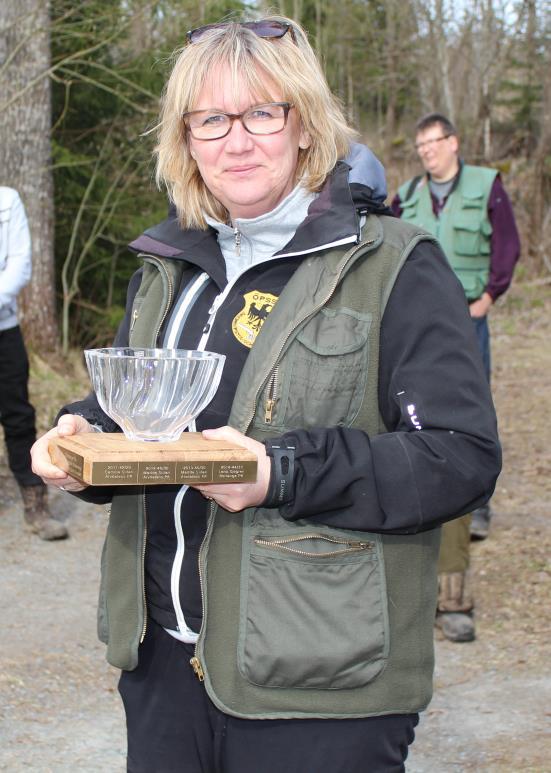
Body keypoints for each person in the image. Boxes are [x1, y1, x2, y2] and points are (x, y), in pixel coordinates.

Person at [31, 18, 501, 772]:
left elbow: (458, 456)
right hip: (161, 666)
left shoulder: (393, 266)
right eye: (210, 118)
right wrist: (78, 434)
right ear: (184, 138)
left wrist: (278, 472)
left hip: (319, 687)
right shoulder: (166, 264)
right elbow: (146, 414)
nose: (236, 140)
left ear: (305, 125)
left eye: (260, 112)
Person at [392, 113, 520, 642]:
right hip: (415, 322)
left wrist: (491, 296)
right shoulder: (403, 195)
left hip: (468, 318)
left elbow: (508, 244)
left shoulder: (486, 185)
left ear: (453, 143)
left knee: (467, 422)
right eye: (419, 144)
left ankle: (476, 508)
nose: (426, 152)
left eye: (433, 142)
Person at [0, 186, 67, 540]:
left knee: (17, 416)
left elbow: (19, 266)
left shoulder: (7, 201)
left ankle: (35, 504)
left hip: (3, 330)